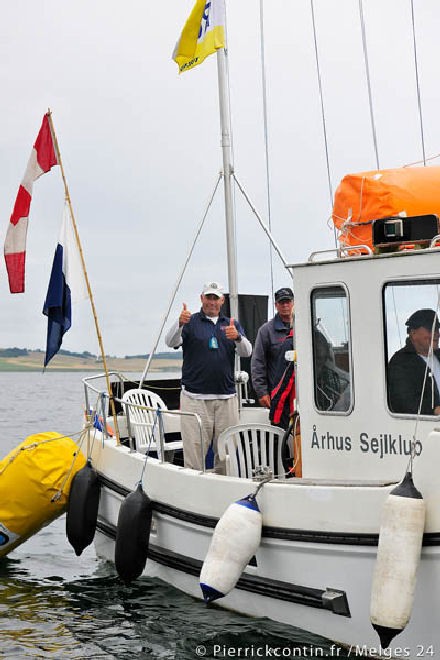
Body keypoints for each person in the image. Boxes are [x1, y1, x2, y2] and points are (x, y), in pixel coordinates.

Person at [165, 281, 252, 473]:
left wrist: (237, 337)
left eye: (215, 298)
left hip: (226, 400)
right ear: (202, 298)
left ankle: (222, 491)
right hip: (195, 400)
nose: (211, 302)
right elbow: (170, 342)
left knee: (226, 453)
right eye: (208, 297)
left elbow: (246, 352)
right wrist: (179, 323)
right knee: (194, 454)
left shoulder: (231, 324)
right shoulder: (190, 322)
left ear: (222, 301)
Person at [388, 308, 440, 415]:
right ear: (413, 333)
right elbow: (404, 402)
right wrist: (434, 410)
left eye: (437, 329)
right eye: (430, 329)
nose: (436, 333)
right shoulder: (400, 363)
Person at [251, 287, 294, 408]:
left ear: (293, 303)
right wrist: (262, 392)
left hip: (303, 391)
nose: (285, 305)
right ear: (276, 305)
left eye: (288, 301)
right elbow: (257, 363)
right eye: (281, 302)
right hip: (278, 394)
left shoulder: (306, 325)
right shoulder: (266, 331)